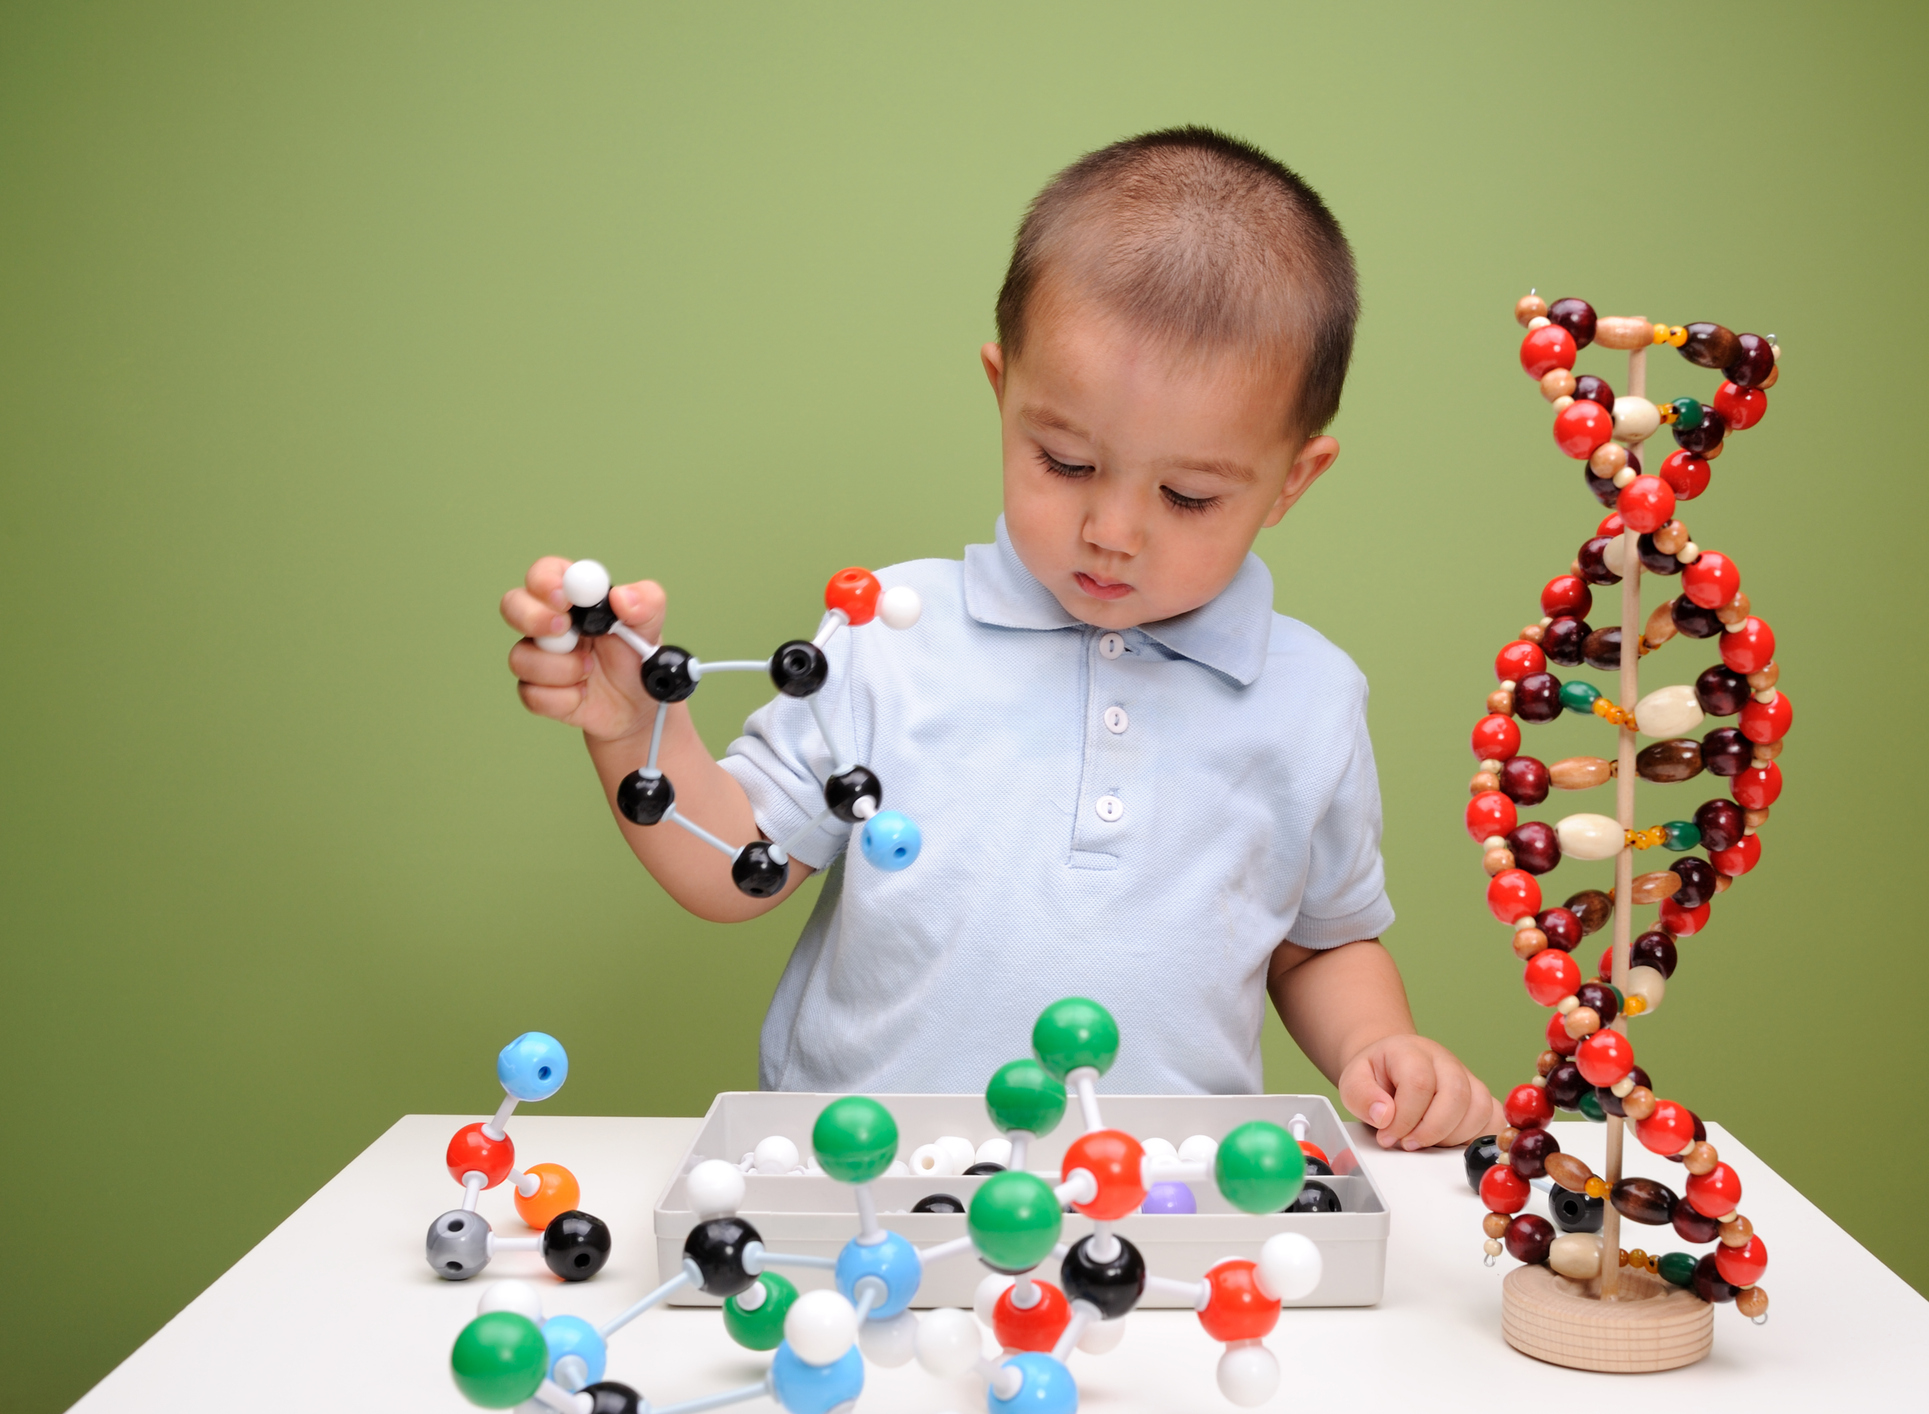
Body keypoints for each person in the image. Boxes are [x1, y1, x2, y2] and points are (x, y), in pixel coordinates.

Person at [500, 127, 1501, 1149]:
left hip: (1160, 1219)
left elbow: (1318, 944)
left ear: (1295, 477)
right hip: (864, 1192)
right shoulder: (888, 636)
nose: (1113, 530)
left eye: (1188, 493)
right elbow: (735, 865)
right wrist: (634, 732)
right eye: (1065, 461)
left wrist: (1381, 1042)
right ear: (1003, 392)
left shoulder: (1312, 698)